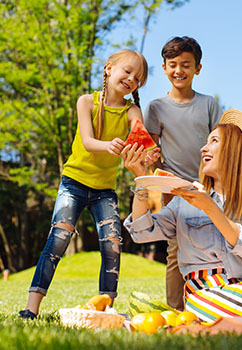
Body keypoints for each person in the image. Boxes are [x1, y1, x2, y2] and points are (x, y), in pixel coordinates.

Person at [122, 109, 242, 322]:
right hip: (204, 298)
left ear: (234, 151)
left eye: (213, 141)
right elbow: (142, 233)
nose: (203, 148)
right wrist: (142, 181)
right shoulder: (184, 200)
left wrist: (210, 207)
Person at [19, 49, 159, 320]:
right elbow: (87, 141)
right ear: (108, 68)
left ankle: (106, 308)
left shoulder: (132, 110)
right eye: (127, 71)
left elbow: (139, 136)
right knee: (57, 240)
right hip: (73, 183)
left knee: (112, 244)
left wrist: (149, 151)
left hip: (104, 191)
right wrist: (109, 145)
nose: (132, 79)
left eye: (138, 78)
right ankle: (31, 307)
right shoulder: (87, 102)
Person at [143, 36, 223, 310]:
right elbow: (152, 153)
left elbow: (221, 144)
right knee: (176, 252)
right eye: (173, 64)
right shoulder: (156, 108)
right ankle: (176, 309)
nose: (179, 70)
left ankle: (215, 303)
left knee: (215, 246)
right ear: (164, 68)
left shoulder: (209, 104)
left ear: (197, 68)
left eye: (186, 65)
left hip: (208, 188)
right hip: (174, 191)